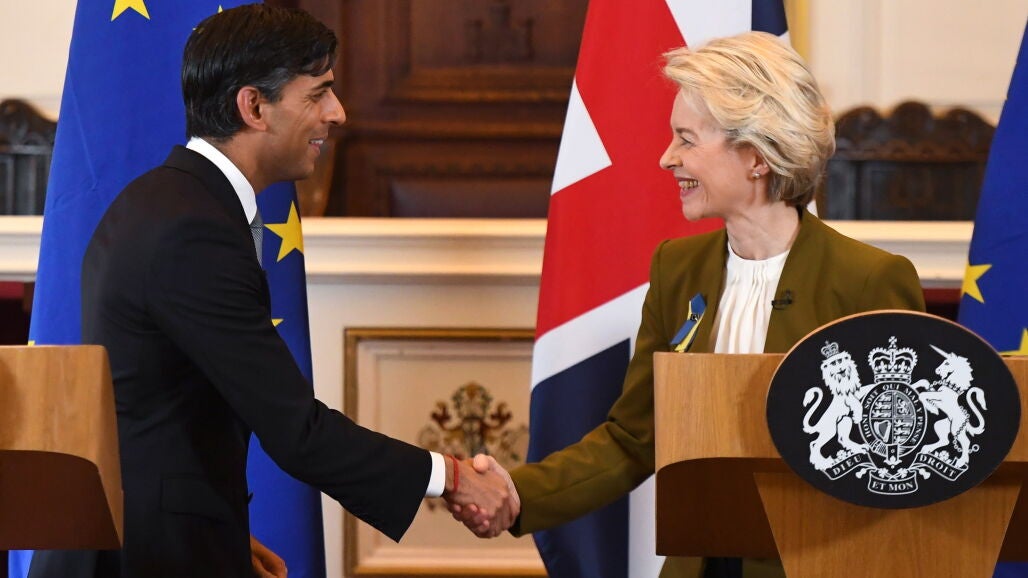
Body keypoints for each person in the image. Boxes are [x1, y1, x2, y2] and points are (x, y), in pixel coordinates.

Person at [28, 5, 517, 578]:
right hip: (143, 557)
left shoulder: (166, 201)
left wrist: (221, 531)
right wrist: (449, 477)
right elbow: (297, 430)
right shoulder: (192, 228)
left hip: (152, 538)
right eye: (318, 94)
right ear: (254, 107)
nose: (338, 113)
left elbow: (166, 409)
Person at [451, 31, 925, 578]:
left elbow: (898, 460)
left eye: (686, 139)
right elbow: (635, 439)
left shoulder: (868, 280)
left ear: (756, 156)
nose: (666, 158)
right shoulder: (677, 269)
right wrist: (518, 494)